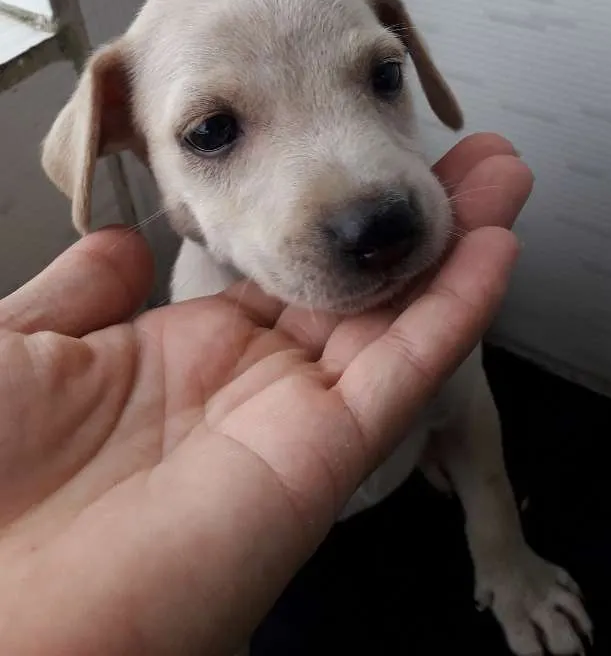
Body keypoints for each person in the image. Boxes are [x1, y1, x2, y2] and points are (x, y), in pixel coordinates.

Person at [0, 134, 532, 654]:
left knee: (453, 407)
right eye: (214, 132)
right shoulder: (177, 361)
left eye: (382, 76)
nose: (361, 204)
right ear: (127, 136)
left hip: (407, 455)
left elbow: (465, 413)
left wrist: (506, 558)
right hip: (295, 559)